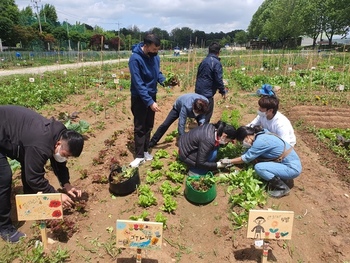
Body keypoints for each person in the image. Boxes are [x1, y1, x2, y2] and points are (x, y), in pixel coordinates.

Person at [0, 105, 85, 243]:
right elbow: (33, 177)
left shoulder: (60, 134)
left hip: (8, 129)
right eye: (65, 155)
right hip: (3, 130)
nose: (65, 158)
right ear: (58, 144)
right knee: (3, 177)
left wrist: (66, 184)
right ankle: (4, 228)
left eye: (68, 157)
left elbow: (59, 163)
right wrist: (56, 195)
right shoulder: (41, 144)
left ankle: (29, 201)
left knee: (28, 162)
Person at [220, 125, 302, 198]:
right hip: (289, 162)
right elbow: (248, 152)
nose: (242, 144)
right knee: (257, 159)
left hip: (292, 168)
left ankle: (282, 188)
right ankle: (282, 176)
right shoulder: (261, 135)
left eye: (242, 142)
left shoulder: (260, 142)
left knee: (259, 167)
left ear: (248, 137)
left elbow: (246, 158)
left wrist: (229, 161)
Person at [128, 32, 166, 168]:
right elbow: (138, 84)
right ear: (146, 45)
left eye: (157, 49)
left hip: (152, 95)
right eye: (154, 49)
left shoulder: (155, 57)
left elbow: (157, 73)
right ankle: (138, 156)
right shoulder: (135, 59)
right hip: (139, 97)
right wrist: (149, 102)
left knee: (149, 124)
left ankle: (145, 151)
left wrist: (165, 81)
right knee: (140, 127)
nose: (156, 51)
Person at [195, 42, 227, 123]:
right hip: (207, 93)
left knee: (199, 112)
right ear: (218, 52)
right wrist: (222, 91)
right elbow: (218, 79)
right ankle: (202, 132)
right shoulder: (216, 63)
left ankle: (199, 129)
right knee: (206, 115)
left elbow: (198, 75)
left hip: (198, 91)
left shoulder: (204, 61)